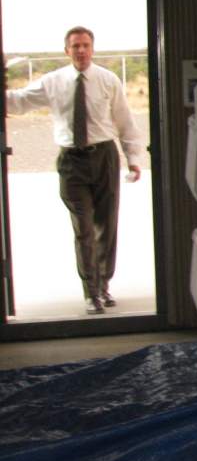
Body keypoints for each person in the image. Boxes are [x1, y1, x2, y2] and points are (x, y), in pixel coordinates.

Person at [6, 26, 146, 314]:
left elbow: (124, 121)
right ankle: (91, 292)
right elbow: (19, 102)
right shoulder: (53, 81)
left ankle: (104, 284)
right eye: (75, 46)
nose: (81, 50)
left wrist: (133, 158)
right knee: (83, 228)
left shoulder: (108, 81)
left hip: (104, 156)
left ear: (92, 49)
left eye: (85, 45)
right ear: (66, 50)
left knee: (106, 226)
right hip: (72, 163)